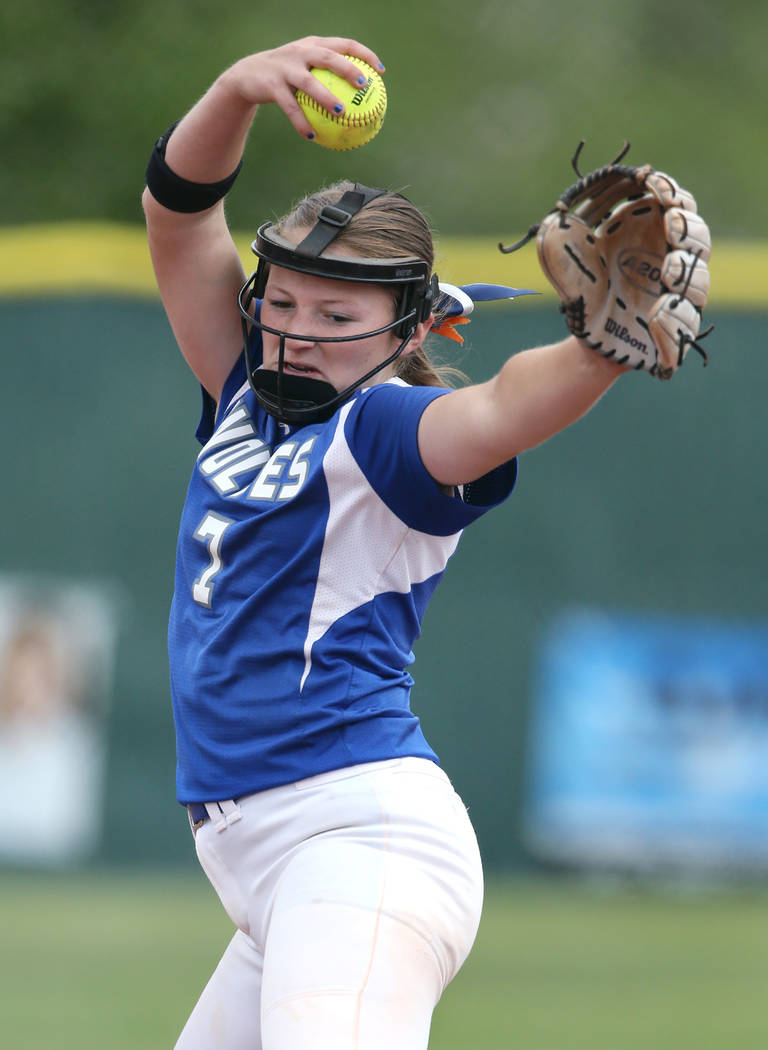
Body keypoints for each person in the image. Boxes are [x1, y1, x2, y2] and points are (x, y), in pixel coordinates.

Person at [143, 36, 629, 1050]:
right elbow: (179, 217)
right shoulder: (241, 391)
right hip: (275, 871)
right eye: (279, 303)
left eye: (335, 312)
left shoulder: (387, 431)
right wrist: (234, 90)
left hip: (355, 844)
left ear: (407, 332)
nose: (296, 331)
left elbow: (498, 410)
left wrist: (601, 346)